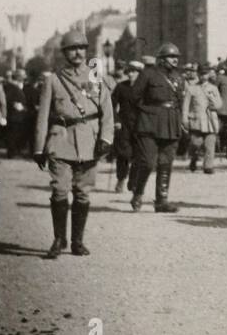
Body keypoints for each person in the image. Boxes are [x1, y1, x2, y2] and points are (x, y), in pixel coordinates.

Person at [33, 30, 113, 258]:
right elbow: (43, 116)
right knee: (59, 190)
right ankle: (59, 238)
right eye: (72, 49)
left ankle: (77, 241)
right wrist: (39, 148)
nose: (77, 53)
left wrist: (106, 138)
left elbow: (107, 111)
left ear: (86, 51)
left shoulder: (95, 77)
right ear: (65, 53)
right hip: (61, 139)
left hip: (90, 140)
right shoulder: (53, 80)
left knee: (82, 193)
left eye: (81, 48)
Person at [128, 42, 186, 213]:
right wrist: (138, 120)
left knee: (166, 163)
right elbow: (133, 98)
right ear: (161, 59)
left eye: (176, 57)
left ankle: (161, 201)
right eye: (170, 57)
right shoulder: (147, 74)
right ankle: (138, 193)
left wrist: (180, 123)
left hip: (171, 123)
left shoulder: (178, 78)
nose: (174, 60)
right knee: (147, 162)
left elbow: (180, 102)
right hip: (149, 124)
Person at [111, 60, 142, 193]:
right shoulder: (121, 87)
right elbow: (111, 105)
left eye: (133, 72)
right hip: (123, 125)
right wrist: (116, 120)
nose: (130, 74)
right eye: (128, 72)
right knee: (123, 154)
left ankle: (133, 180)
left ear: (139, 73)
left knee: (138, 155)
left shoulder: (145, 89)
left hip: (141, 126)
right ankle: (121, 179)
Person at [185, 65, 222, 175]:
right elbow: (185, 106)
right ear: (198, 74)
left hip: (210, 120)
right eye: (201, 74)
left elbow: (219, 104)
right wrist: (185, 119)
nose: (203, 76)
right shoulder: (191, 88)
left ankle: (208, 166)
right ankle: (194, 158)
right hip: (197, 120)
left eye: (205, 74)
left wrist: (213, 103)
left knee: (209, 144)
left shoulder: (213, 88)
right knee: (195, 143)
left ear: (208, 75)